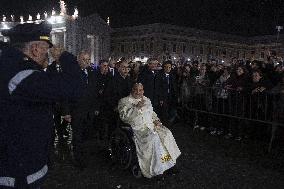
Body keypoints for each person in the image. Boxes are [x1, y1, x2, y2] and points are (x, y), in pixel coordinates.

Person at [0, 22, 83, 189]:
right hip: (19, 172)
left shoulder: (11, 67)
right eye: (46, 49)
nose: (49, 54)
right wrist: (65, 56)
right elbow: (74, 87)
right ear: (35, 49)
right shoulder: (22, 75)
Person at [118, 83, 181, 178]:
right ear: (132, 90)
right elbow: (124, 117)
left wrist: (156, 120)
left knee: (167, 134)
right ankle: (157, 170)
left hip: (152, 126)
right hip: (139, 130)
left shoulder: (147, 100)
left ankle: (169, 164)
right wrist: (136, 107)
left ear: (143, 91)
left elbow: (152, 113)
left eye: (140, 90)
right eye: (136, 90)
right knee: (155, 139)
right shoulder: (124, 101)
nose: (138, 92)